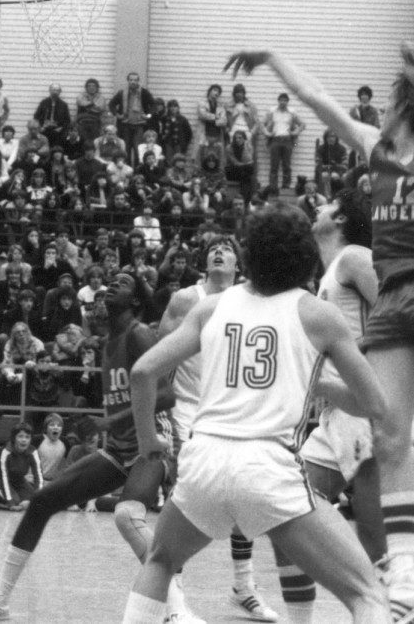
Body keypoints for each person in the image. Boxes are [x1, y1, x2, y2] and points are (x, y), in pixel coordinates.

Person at [225, 43, 414, 602]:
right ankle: (400, 568)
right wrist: (273, 57)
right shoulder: (372, 147)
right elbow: (315, 98)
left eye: (394, 101)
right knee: (391, 433)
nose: (382, 109)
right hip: (393, 297)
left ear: (407, 110)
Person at [121, 204, 390, 624]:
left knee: (159, 560)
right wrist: (319, 383)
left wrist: (147, 443)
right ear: (304, 256)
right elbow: (375, 404)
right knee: (367, 593)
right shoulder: (319, 314)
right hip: (267, 468)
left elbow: (142, 372)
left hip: (204, 461)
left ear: (249, 254)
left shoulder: (212, 307)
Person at [274, 190, 414, 624]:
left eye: (328, 203)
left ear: (341, 217)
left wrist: (347, 362)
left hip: (365, 411)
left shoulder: (354, 258)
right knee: (284, 510)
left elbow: (402, 315)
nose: (318, 207)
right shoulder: (331, 269)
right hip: (337, 415)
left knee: (386, 546)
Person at [0, 272, 181, 623]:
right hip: (121, 448)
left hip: (153, 443)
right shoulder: (108, 342)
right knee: (42, 502)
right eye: (111, 281)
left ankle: (176, 609)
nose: (110, 285)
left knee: (127, 515)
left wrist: (108, 422)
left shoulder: (138, 334)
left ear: (136, 301)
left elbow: (167, 395)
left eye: (122, 283)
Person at [157, 237, 277, 622]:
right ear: (204, 261)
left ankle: (243, 588)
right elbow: (161, 359)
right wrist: (161, 414)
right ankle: (172, 598)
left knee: (245, 493)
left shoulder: (251, 299)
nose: (219, 252)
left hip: (234, 411)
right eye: (213, 249)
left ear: (238, 262)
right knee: (182, 498)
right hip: (189, 410)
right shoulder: (185, 300)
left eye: (226, 248)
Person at [0, 421, 43, 511]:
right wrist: (11, 503)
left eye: (27, 437)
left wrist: (38, 499)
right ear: (14, 438)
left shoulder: (33, 451)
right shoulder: (5, 451)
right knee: (15, 502)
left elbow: (38, 476)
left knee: (33, 499)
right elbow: (3, 477)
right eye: (20, 436)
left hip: (18, 480)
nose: (24, 440)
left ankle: (11, 496)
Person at [261, 92, 304, 195]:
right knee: (274, 165)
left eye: (285, 100)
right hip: (275, 140)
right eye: (281, 100)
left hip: (288, 140)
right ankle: (273, 188)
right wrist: (267, 133)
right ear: (278, 101)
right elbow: (262, 123)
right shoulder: (272, 111)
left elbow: (302, 124)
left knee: (286, 165)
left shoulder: (292, 112)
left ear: (287, 102)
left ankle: (286, 187)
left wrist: (295, 132)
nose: (283, 102)